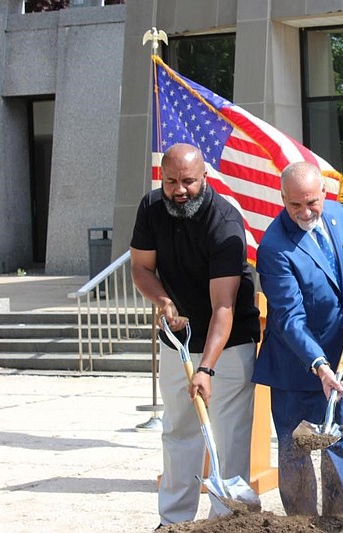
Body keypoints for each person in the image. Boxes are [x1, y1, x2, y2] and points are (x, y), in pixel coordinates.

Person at [130, 143, 260, 527]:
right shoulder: (152, 208)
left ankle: (225, 522)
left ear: (205, 178)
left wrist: (206, 369)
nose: (179, 190)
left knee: (228, 436)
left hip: (230, 343)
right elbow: (141, 267)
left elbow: (225, 307)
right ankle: (174, 522)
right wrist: (163, 302)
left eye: (188, 181)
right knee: (179, 431)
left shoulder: (224, 223)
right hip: (178, 340)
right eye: (170, 181)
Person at [253, 161, 343, 516]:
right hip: (296, 368)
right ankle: (301, 526)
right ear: (282, 199)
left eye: (312, 202)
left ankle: (342, 522)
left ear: (324, 192)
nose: (305, 212)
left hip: (341, 359)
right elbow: (290, 318)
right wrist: (319, 366)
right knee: (296, 457)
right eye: (295, 205)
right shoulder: (275, 248)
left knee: (339, 452)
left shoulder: (337, 213)